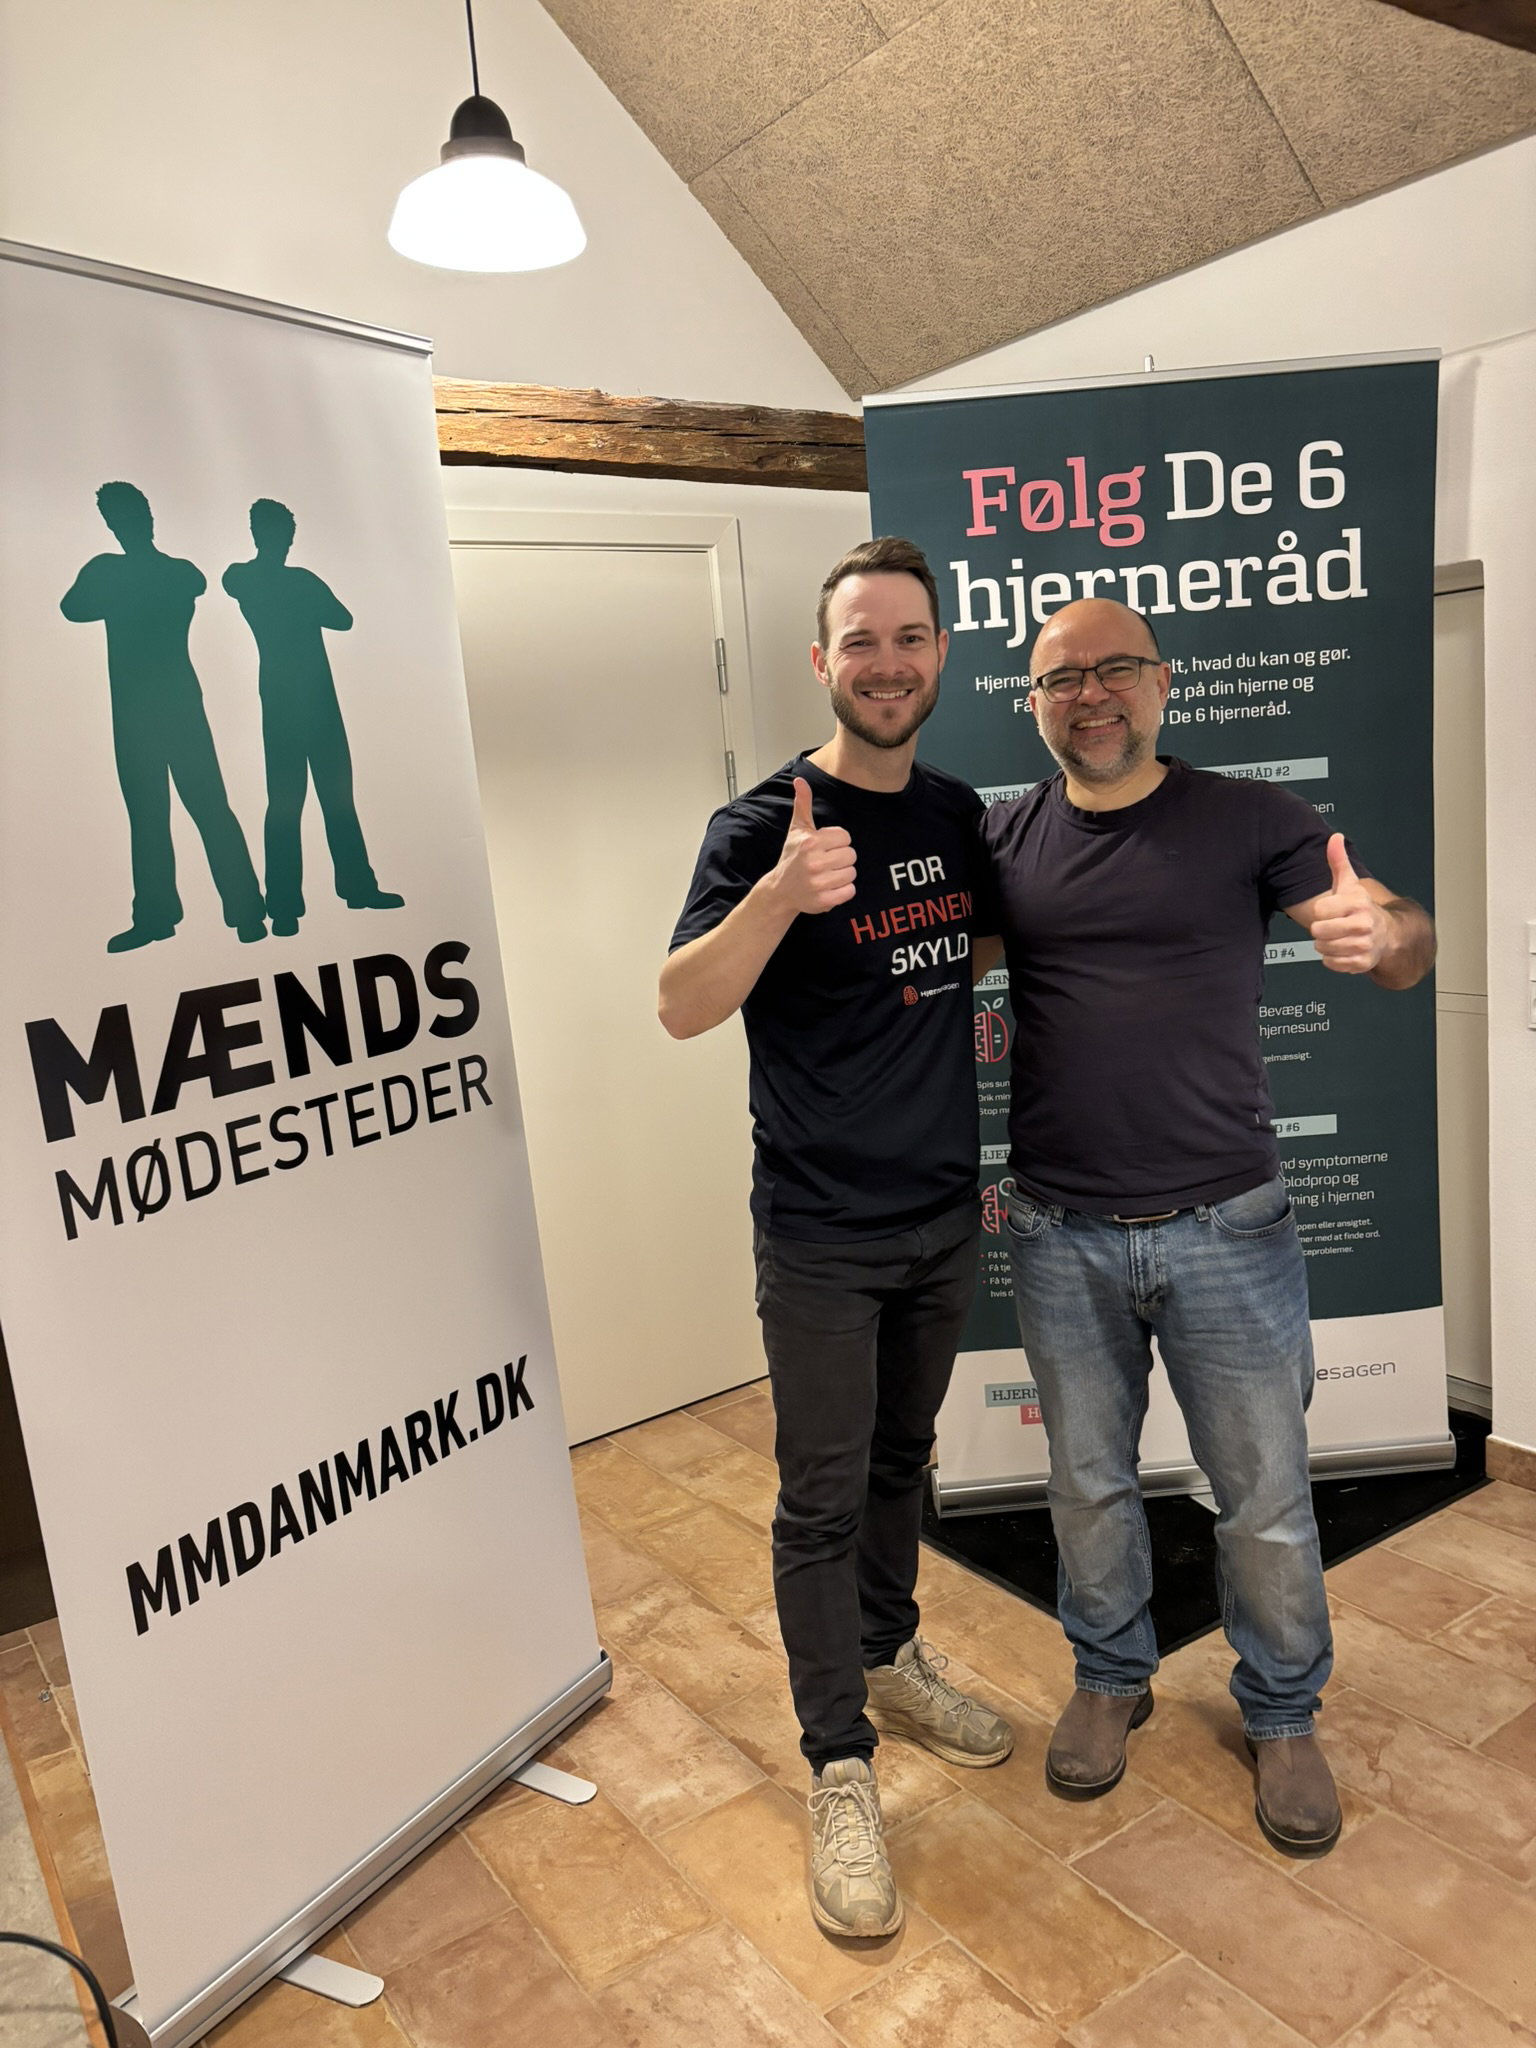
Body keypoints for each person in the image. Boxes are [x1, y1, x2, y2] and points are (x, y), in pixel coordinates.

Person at [984, 596, 1434, 1858]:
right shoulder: (1002, 836)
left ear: (1163, 682)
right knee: (1086, 1482)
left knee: (1266, 1498)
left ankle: (1282, 1710)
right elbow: (925, 968)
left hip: (1227, 1227)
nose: (1091, 693)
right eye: (1061, 677)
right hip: (1060, 1230)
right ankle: (1109, 1674)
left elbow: (1400, 939)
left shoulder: (1255, 819)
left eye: (1115, 668)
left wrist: (1384, 933)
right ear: (1034, 702)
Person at [660, 537, 1012, 1939]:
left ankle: (886, 1655)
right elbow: (681, 1005)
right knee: (818, 1496)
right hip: (818, 1235)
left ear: (941, 655)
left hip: (942, 1219)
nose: (886, 663)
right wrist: (778, 897)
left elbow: (967, 948)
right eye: (860, 640)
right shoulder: (760, 826)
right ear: (823, 660)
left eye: (909, 637)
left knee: (899, 1464)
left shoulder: (956, 811)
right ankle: (838, 1763)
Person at [60, 482, 267, 953]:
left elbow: (76, 607)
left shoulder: (126, 571)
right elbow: (72, 609)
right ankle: (226, 913)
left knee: (179, 812)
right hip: (164, 707)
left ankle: (218, 913)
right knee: (178, 813)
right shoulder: (172, 572)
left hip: (152, 708)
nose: (127, 525)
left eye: (126, 516)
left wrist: (117, 587)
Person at [223, 499, 402, 937]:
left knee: (323, 800)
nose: (284, 543)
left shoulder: (256, 578)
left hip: (304, 701)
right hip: (299, 702)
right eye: (280, 534)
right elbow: (338, 617)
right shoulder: (277, 579)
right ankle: (299, 902)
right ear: (264, 535)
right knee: (296, 804)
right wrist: (302, 602)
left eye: (286, 536)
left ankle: (319, 898)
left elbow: (344, 620)